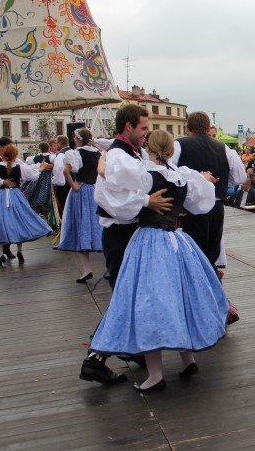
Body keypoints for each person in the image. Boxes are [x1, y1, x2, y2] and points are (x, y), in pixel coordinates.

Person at [89, 130, 225, 392]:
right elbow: (202, 201)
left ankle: (155, 375)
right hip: (178, 240)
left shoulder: (145, 175)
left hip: (150, 242)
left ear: (148, 149)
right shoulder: (182, 175)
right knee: (181, 296)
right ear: (171, 151)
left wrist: (103, 169)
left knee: (148, 303)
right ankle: (188, 360)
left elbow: (117, 195)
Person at [83, 105, 173, 386]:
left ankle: (131, 351)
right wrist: (148, 201)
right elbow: (110, 200)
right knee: (127, 297)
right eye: (143, 127)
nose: (147, 133)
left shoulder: (127, 154)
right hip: (120, 235)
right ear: (128, 127)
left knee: (133, 296)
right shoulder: (117, 157)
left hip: (130, 233)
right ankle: (95, 359)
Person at [171, 111, 245, 325]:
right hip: (216, 206)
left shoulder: (179, 145)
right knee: (210, 255)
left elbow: (171, 173)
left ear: (188, 127)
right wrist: (221, 183)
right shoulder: (223, 148)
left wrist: (191, 184)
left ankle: (204, 309)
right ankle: (219, 306)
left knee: (192, 256)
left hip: (190, 209)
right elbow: (240, 177)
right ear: (208, 126)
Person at [0, 144, 53, 266]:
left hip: (1, 196)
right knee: (19, 220)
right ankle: (19, 251)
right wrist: (41, 168)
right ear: (15, 156)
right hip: (16, 195)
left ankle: (1, 254)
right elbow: (33, 175)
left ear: (2, 155)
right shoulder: (19, 166)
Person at [59, 129, 104, 283]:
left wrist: (74, 186)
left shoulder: (76, 153)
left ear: (78, 139)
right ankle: (109, 268)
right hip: (95, 191)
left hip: (82, 191)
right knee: (98, 224)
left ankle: (87, 269)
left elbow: (66, 170)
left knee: (82, 226)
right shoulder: (98, 153)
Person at [22, 142, 55, 217]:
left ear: (40, 149)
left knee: (35, 191)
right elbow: (56, 164)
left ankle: (36, 207)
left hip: (38, 176)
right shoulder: (52, 157)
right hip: (48, 176)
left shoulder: (34, 158)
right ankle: (44, 210)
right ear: (49, 148)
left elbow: (27, 163)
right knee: (46, 192)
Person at [51, 134, 73, 219]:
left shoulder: (61, 155)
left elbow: (58, 170)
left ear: (59, 143)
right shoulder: (73, 151)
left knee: (63, 208)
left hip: (63, 185)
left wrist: (54, 182)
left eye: (56, 143)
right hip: (73, 183)